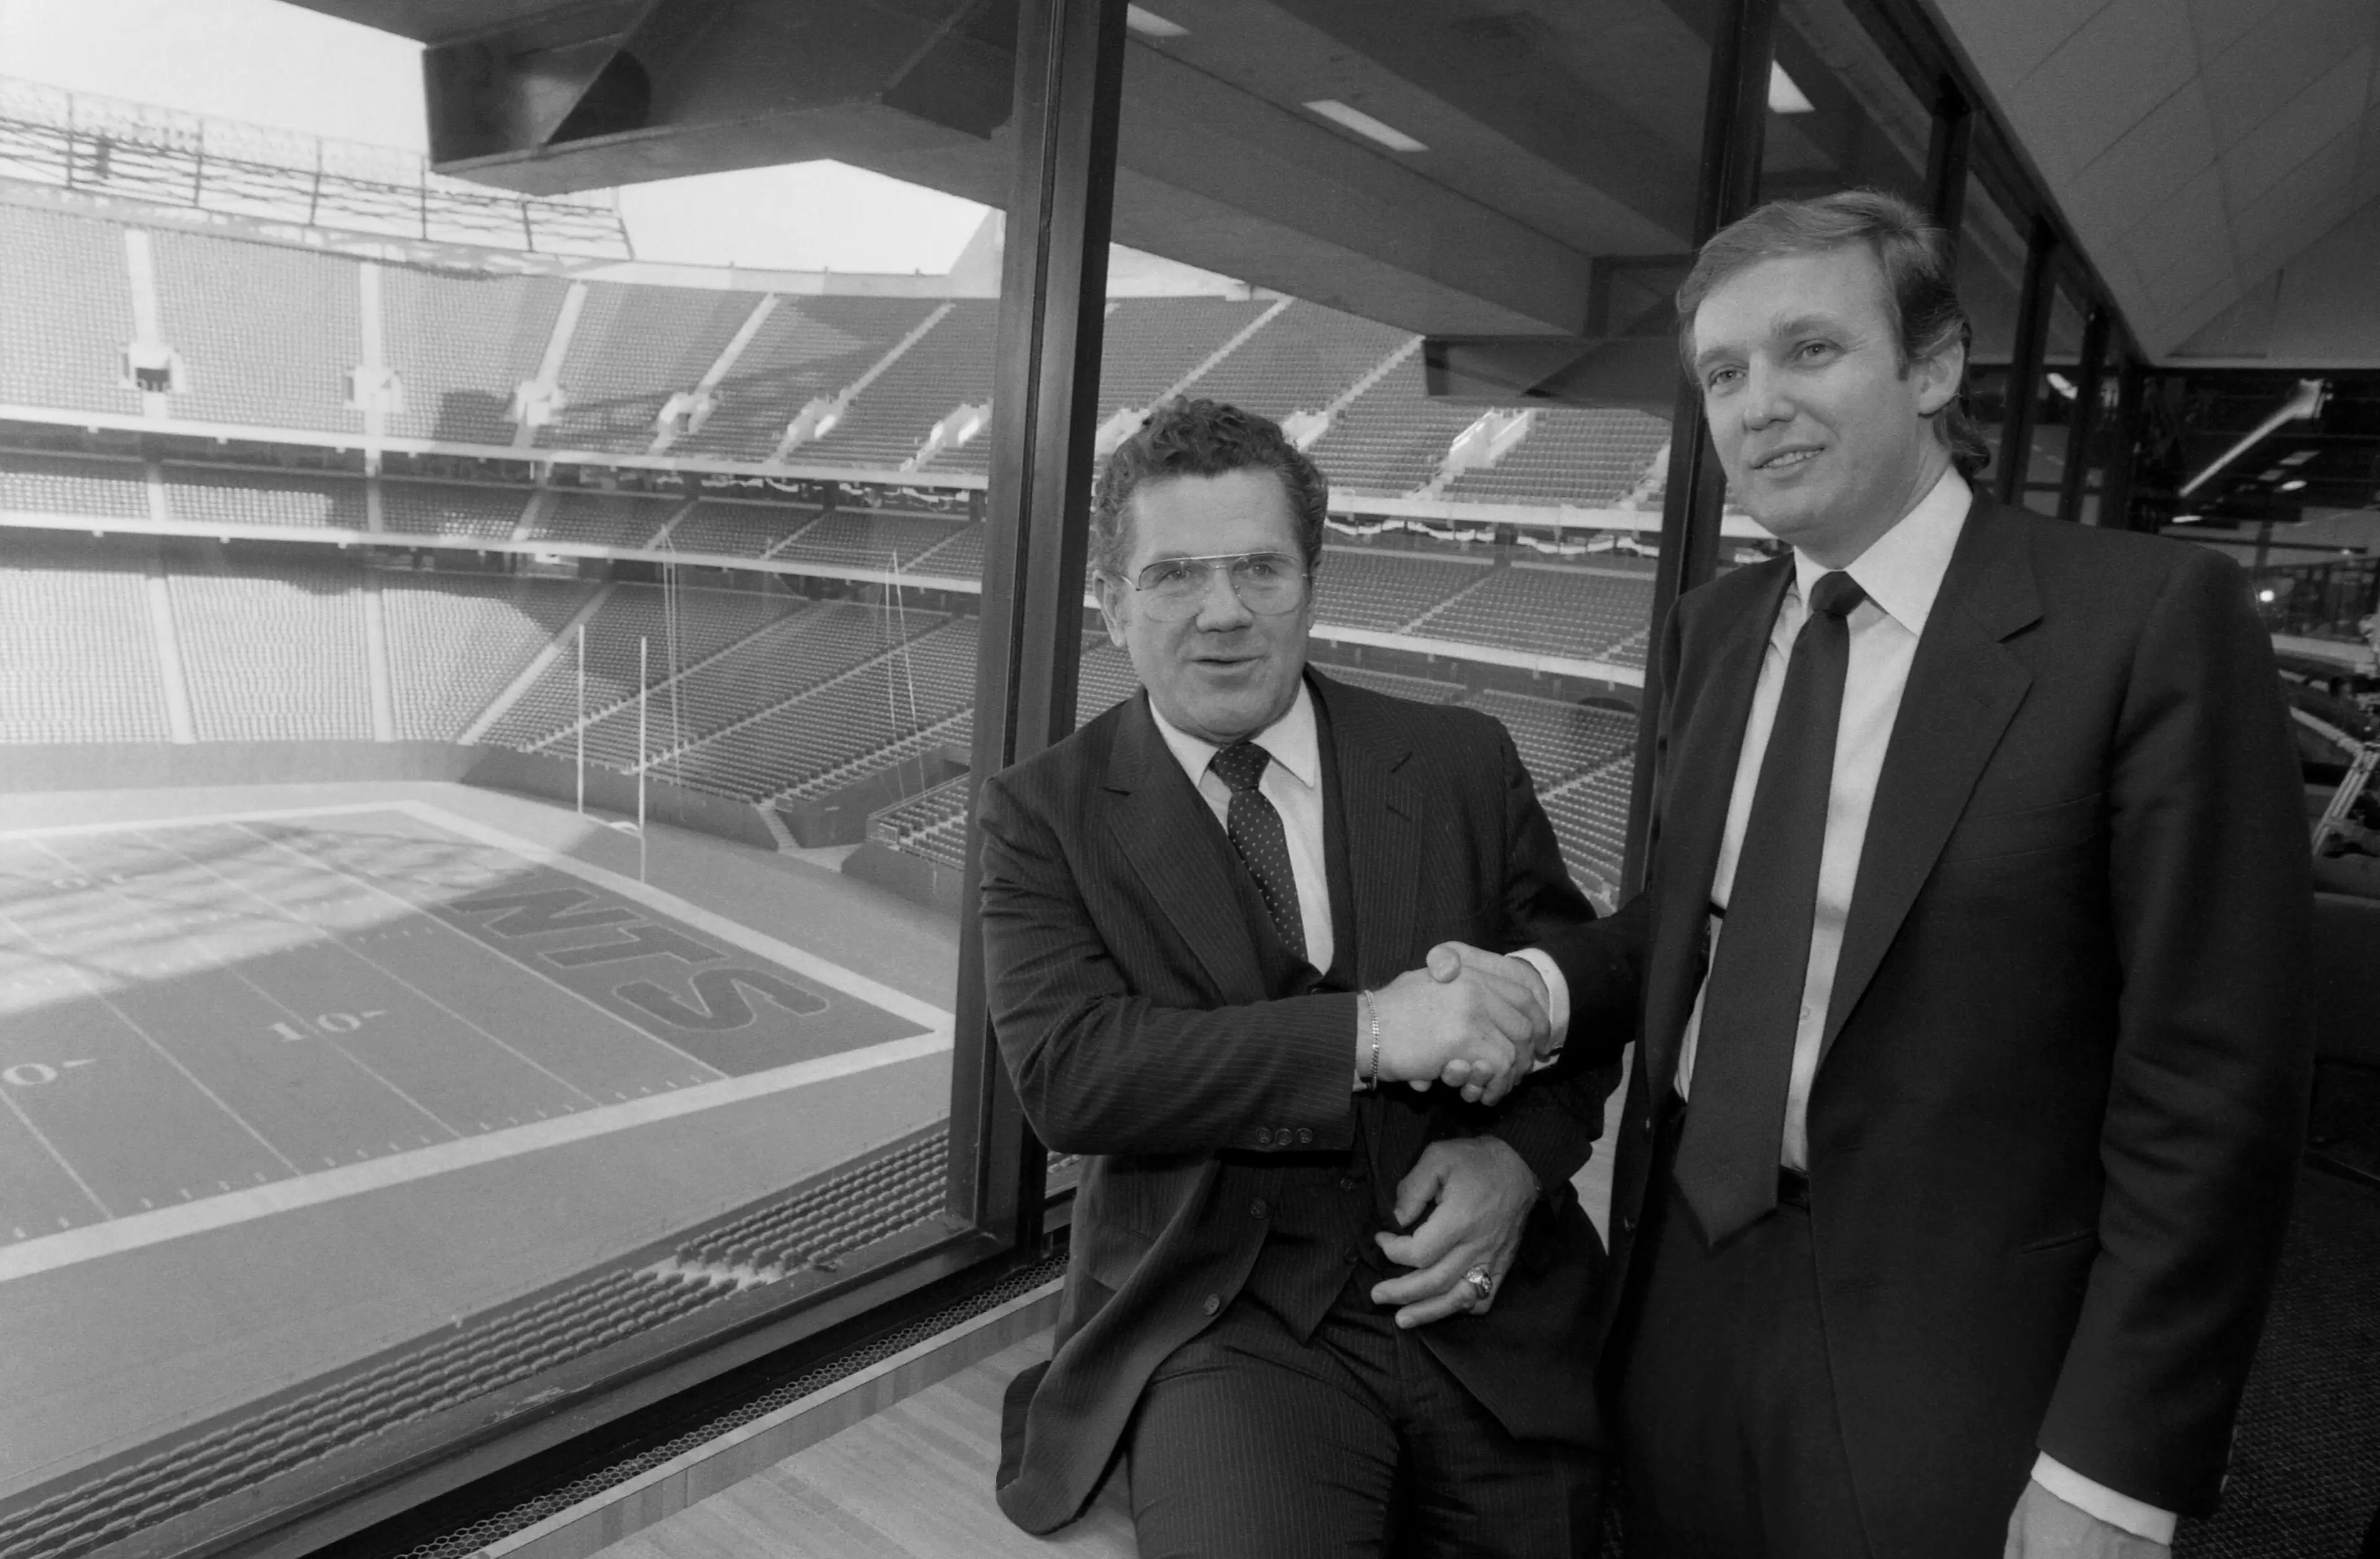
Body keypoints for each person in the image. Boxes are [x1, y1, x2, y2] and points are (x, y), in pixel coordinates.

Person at [1420, 190, 2312, 1558]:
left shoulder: (2139, 627)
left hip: (1956, 1354)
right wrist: (1539, 986)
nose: (1758, 403)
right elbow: (1696, 920)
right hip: (1678, 1292)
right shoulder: (1715, 629)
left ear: (1936, 367)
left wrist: (2113, 1472)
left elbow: (2213, 1091)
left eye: (1810, 352)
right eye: (1724, 373)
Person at [976, 398, 1632, 1557]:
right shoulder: (1044, 813)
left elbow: (1582, 999)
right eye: (1175, 574)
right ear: (1110, 604)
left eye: (1260, 569)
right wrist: (1373, 1030)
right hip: (1228, 1317)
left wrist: (1518, 1163)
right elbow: (1073, 1077)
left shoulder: (1459, 760)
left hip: (1491, 1292)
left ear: (1311, 583)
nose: (1223, 613)